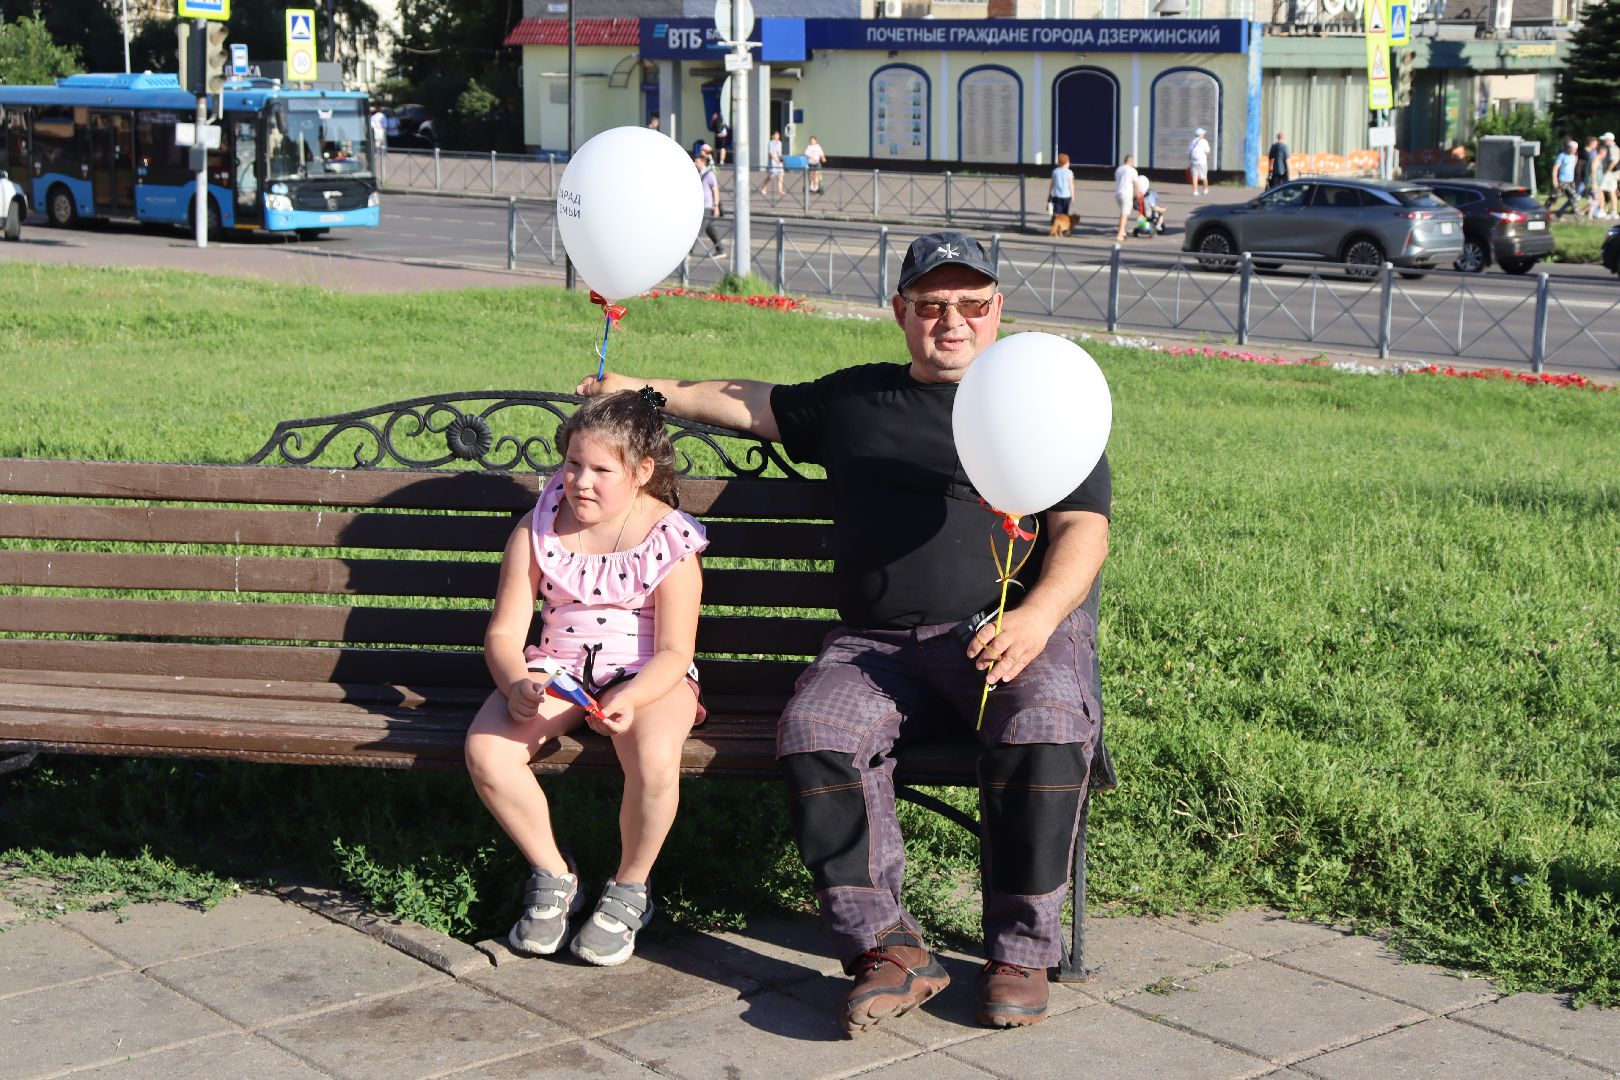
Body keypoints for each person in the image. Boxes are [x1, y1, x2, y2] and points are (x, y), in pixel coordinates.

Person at [577, 229, 1111, 1035]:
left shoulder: (1041, 399)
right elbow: (751, 401)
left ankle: (1020, 953)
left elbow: (1082, 530)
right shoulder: (859, 401)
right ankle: (888, 949)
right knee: (815, 728)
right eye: (932, 306)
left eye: (971, 305)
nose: (953, 322)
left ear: (997, 310)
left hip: (1007, 633)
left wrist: (1036, 616)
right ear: (901, 312)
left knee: (1045, 722)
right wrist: (639, 389)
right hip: (877, 650)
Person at [464, 388, 708, 968]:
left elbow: (676, 650)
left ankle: (630, 886)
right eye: (572, 464)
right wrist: (515, 682)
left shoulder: (670, 540)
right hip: (557, 669)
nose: (581, 481)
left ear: (643, 471)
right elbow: (503, 631)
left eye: (602, 469)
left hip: (649, 676)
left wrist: (635, 694)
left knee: (652, 759)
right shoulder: (538, 527)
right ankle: (553, 871)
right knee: (487, 751)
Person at [695, 147, 724, 257]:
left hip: (707, 206)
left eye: (696, 161)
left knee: (698, 229)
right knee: (709, 228)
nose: (695, 163)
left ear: (703, 162)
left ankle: (689, 252)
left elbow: (715, 190)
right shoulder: (699, 174)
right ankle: (720, 249)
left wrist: (716, 206)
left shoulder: (709, 174)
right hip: (701, 206)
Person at [1549, 139, 1579, 217]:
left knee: (1573, 199)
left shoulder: (1574, 157)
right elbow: (1555, 168)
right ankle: (1544, 212)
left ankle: (1578, 217)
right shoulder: (1562, 156)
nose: (1574, 150)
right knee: (1554, 198)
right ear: (1569, 148)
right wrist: (1555, 180)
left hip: (1570, 181)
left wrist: (1573, 181)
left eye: (1575, 149)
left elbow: (1572, 169)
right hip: (1562, 181)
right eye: (1572, 148)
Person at [1113, 154, 1139, 242]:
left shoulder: (1119, 169)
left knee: (1123, 212)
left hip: (1117, 194)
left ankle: (1122, 230)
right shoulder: (1132, 170)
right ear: (1131, 161)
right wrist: (1138, 194)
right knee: (1125, 213)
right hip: (1126, 194)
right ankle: (1120, 233)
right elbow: (1135, 183)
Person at [1048, 152, 1074, 229]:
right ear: (1066, 162)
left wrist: (1049, 193)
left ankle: (1054, 226)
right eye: (1068, 161)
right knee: (1065, 213)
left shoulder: (1055, 171)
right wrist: (1073, 195)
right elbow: (1071, 185)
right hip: (1066, 196)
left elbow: (1052, 183)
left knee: (1056, 212)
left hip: (1057, 195)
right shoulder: (1069, 172)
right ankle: (1064, 228)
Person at [761, 129, 785, 197]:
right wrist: (775, 160)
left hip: (778, 159)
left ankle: (780, 190)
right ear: (773, 136)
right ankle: (764, 186)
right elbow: (770, 153)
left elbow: (780, 152)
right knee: (772, 175)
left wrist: (781, 158)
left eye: (778, 135)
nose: (777, 136)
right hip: (773, 160)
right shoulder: (771, 143)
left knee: (781, 174)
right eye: (776, 135)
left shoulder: (780, 142)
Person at [1600, 132, 1619, 219]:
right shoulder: (1612, 147)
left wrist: (1607, 171)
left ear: (1609, 140)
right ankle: (1613, 211)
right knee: (1611, 191)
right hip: (1613, 173)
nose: (1603, 141)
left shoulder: (1612, 148)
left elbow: (1614, 161)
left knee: (1600, 189)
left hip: (1611, 173)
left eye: (1605, 140)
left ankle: (1602, 210)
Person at [1188, 127, 1211, 197]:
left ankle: (1195, 191)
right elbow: (1208, 151)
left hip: (1193, 161)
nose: (1204, 134)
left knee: (1194, 177)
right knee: (1204, 176)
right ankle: (1205, 190)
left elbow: (1189, 152)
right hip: (1202, 161)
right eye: (1203, 133)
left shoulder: (1191, 142)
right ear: (1200, 134)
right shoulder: (1204, 141)